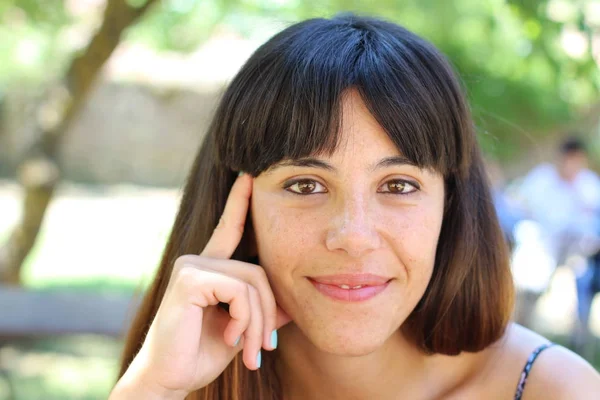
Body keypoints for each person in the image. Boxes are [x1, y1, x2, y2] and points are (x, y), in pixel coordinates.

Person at [109, 15, 600, 400]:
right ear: (241, 206)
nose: (353, 235)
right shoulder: (183, 379)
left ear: (451, 208)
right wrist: (155, 390)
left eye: (399, 185)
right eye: (305, 185)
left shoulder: (554, 392)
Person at [511, 137, 600, 347]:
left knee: (583, 278)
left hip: (579, 247)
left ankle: (579, 339)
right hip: (544, 243)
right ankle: (521, 331)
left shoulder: (589, 185)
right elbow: (519, 204)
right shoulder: (542, 179)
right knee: (532, 279)